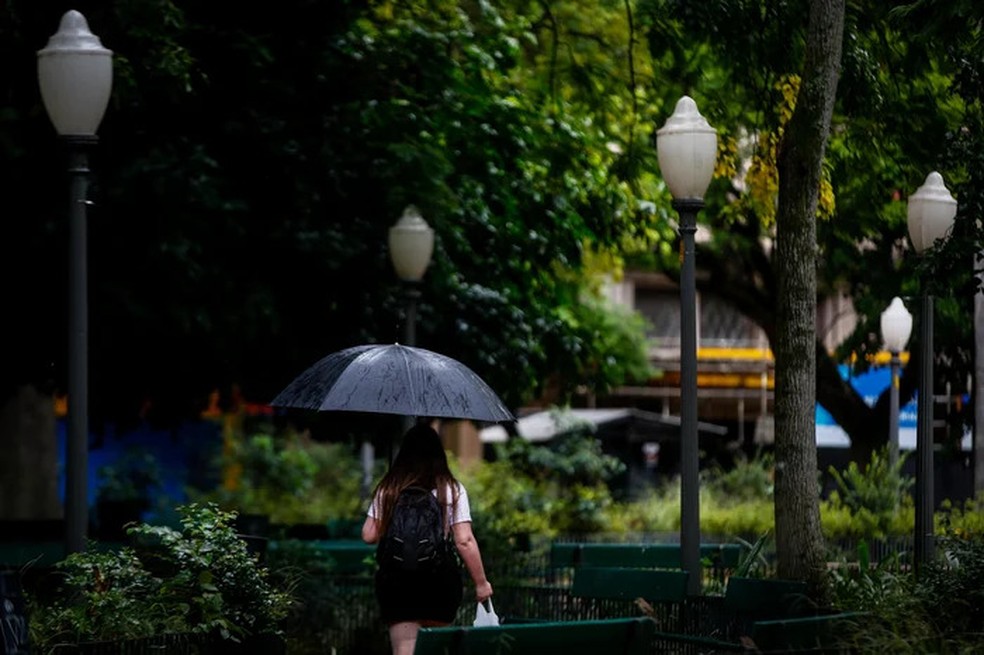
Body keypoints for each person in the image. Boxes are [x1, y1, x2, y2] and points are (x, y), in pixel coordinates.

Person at [361, 423, 493, 655]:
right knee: (436, 650)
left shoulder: (389, 488)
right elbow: (464, 540)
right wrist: (481, 583)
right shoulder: (451, 489)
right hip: (438, 582)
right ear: (439, 454)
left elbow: (369, 535)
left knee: (405, 650)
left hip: (398, 584)